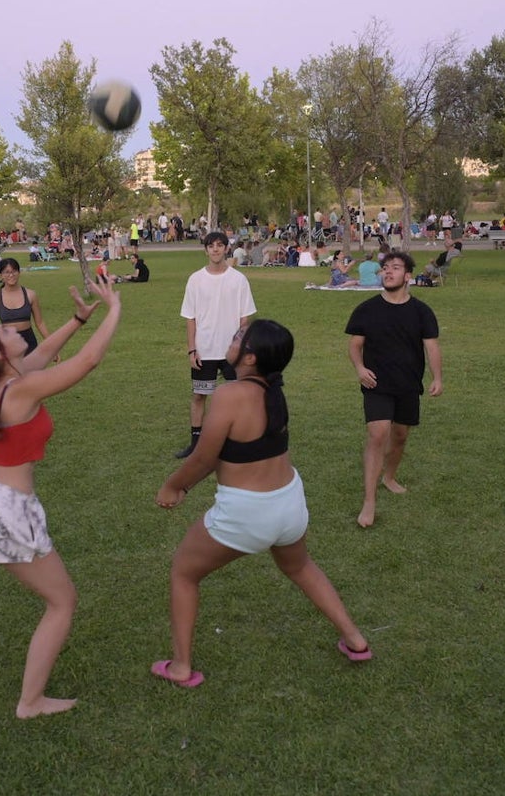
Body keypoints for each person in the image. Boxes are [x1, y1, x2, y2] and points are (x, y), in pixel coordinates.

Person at [0, 278, 123, 717]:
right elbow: (87, 362)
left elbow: (41, 356)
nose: (15, 330)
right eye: (7, 333)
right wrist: (115, 308)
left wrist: (77, 320)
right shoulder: (19, 388)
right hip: (7, 510)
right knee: (62, 601)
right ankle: (30, 702)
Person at [151, 320, 372, 687]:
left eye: (238, 337)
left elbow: (204, 458)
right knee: (300, 568)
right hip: (289, 505)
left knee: (184, 573)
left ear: (249, 357)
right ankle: (355, 639)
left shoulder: (229, 395)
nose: (232, 337)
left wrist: (174, 487)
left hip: (247, 513)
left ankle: (181, 667)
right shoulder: (273, 391)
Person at [346, 251, 442, 528]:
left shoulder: (422, 311)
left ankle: (389, 476)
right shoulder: (367, 309)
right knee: (378, 434)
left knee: (399, 436)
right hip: (376, 382)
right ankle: (369, 500)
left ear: (408, 276)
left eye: (395, 268)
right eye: (385, 268)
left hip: (409, 384)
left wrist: (438, 377)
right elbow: (355, 345)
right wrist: (360, 369)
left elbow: (432, 347)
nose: (388, 272)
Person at [176, 232, 257, 459]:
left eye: (220, 245)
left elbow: (245, 318)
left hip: (231, 352)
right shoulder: (195, 279)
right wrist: (192, 349)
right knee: (199, 395)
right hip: (204, 349)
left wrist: (239, 348)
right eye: (211, 246)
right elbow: (190, 317)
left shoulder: (238, 279)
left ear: (226, 249)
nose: (215, 249)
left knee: (236, 396)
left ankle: (238, 441)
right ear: (205, 250)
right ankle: (196, 443)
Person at [0, 258, 51, 355]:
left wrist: (51, 346)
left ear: (19, 272)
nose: (11, 275)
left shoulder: (30, 295)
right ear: (1, 275)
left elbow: (40, 323)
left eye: (14, 271)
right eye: (7, 272)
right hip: (7, 345)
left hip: (29, 343)